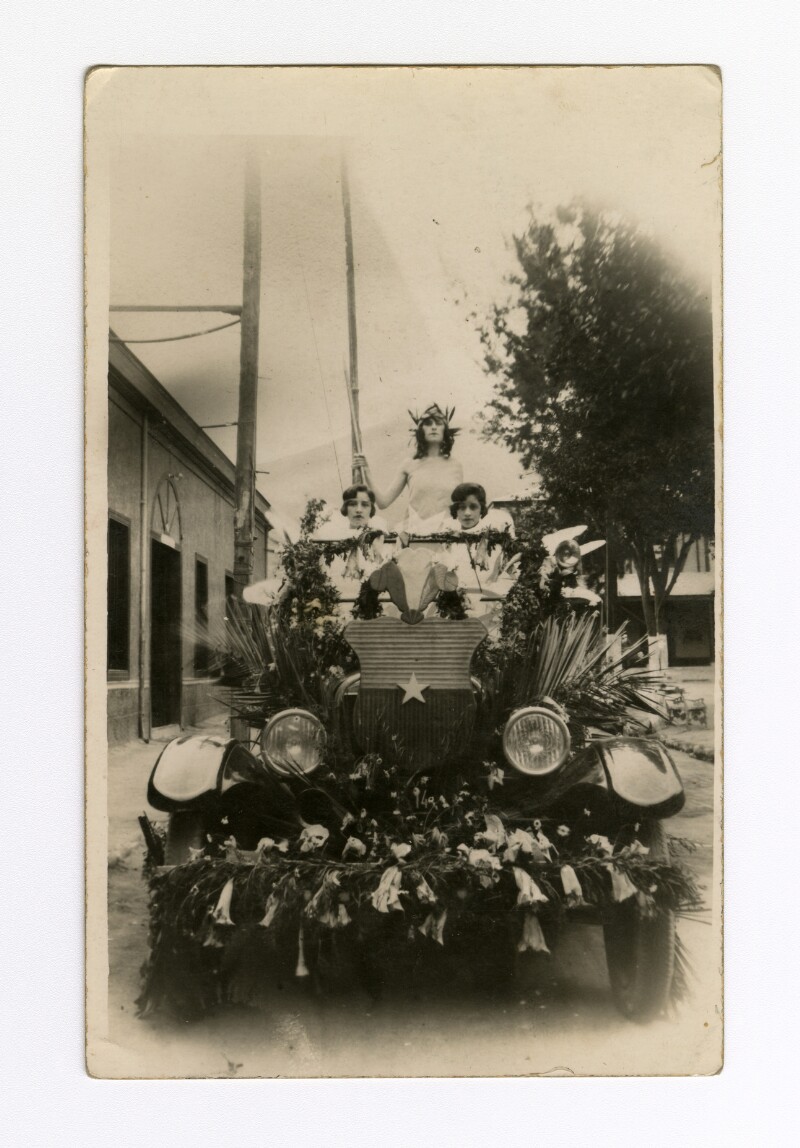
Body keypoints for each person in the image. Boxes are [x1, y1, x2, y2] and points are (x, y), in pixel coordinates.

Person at [353, 403, 463, 534]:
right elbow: (383, 502)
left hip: (447, 535)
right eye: (428, 423)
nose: (433, 427)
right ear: (421, 430)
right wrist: (367, 472)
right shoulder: (409, 464)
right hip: (415, 535)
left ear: (445, 430)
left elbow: (460, 507)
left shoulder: (455, 465)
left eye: (438, 423)